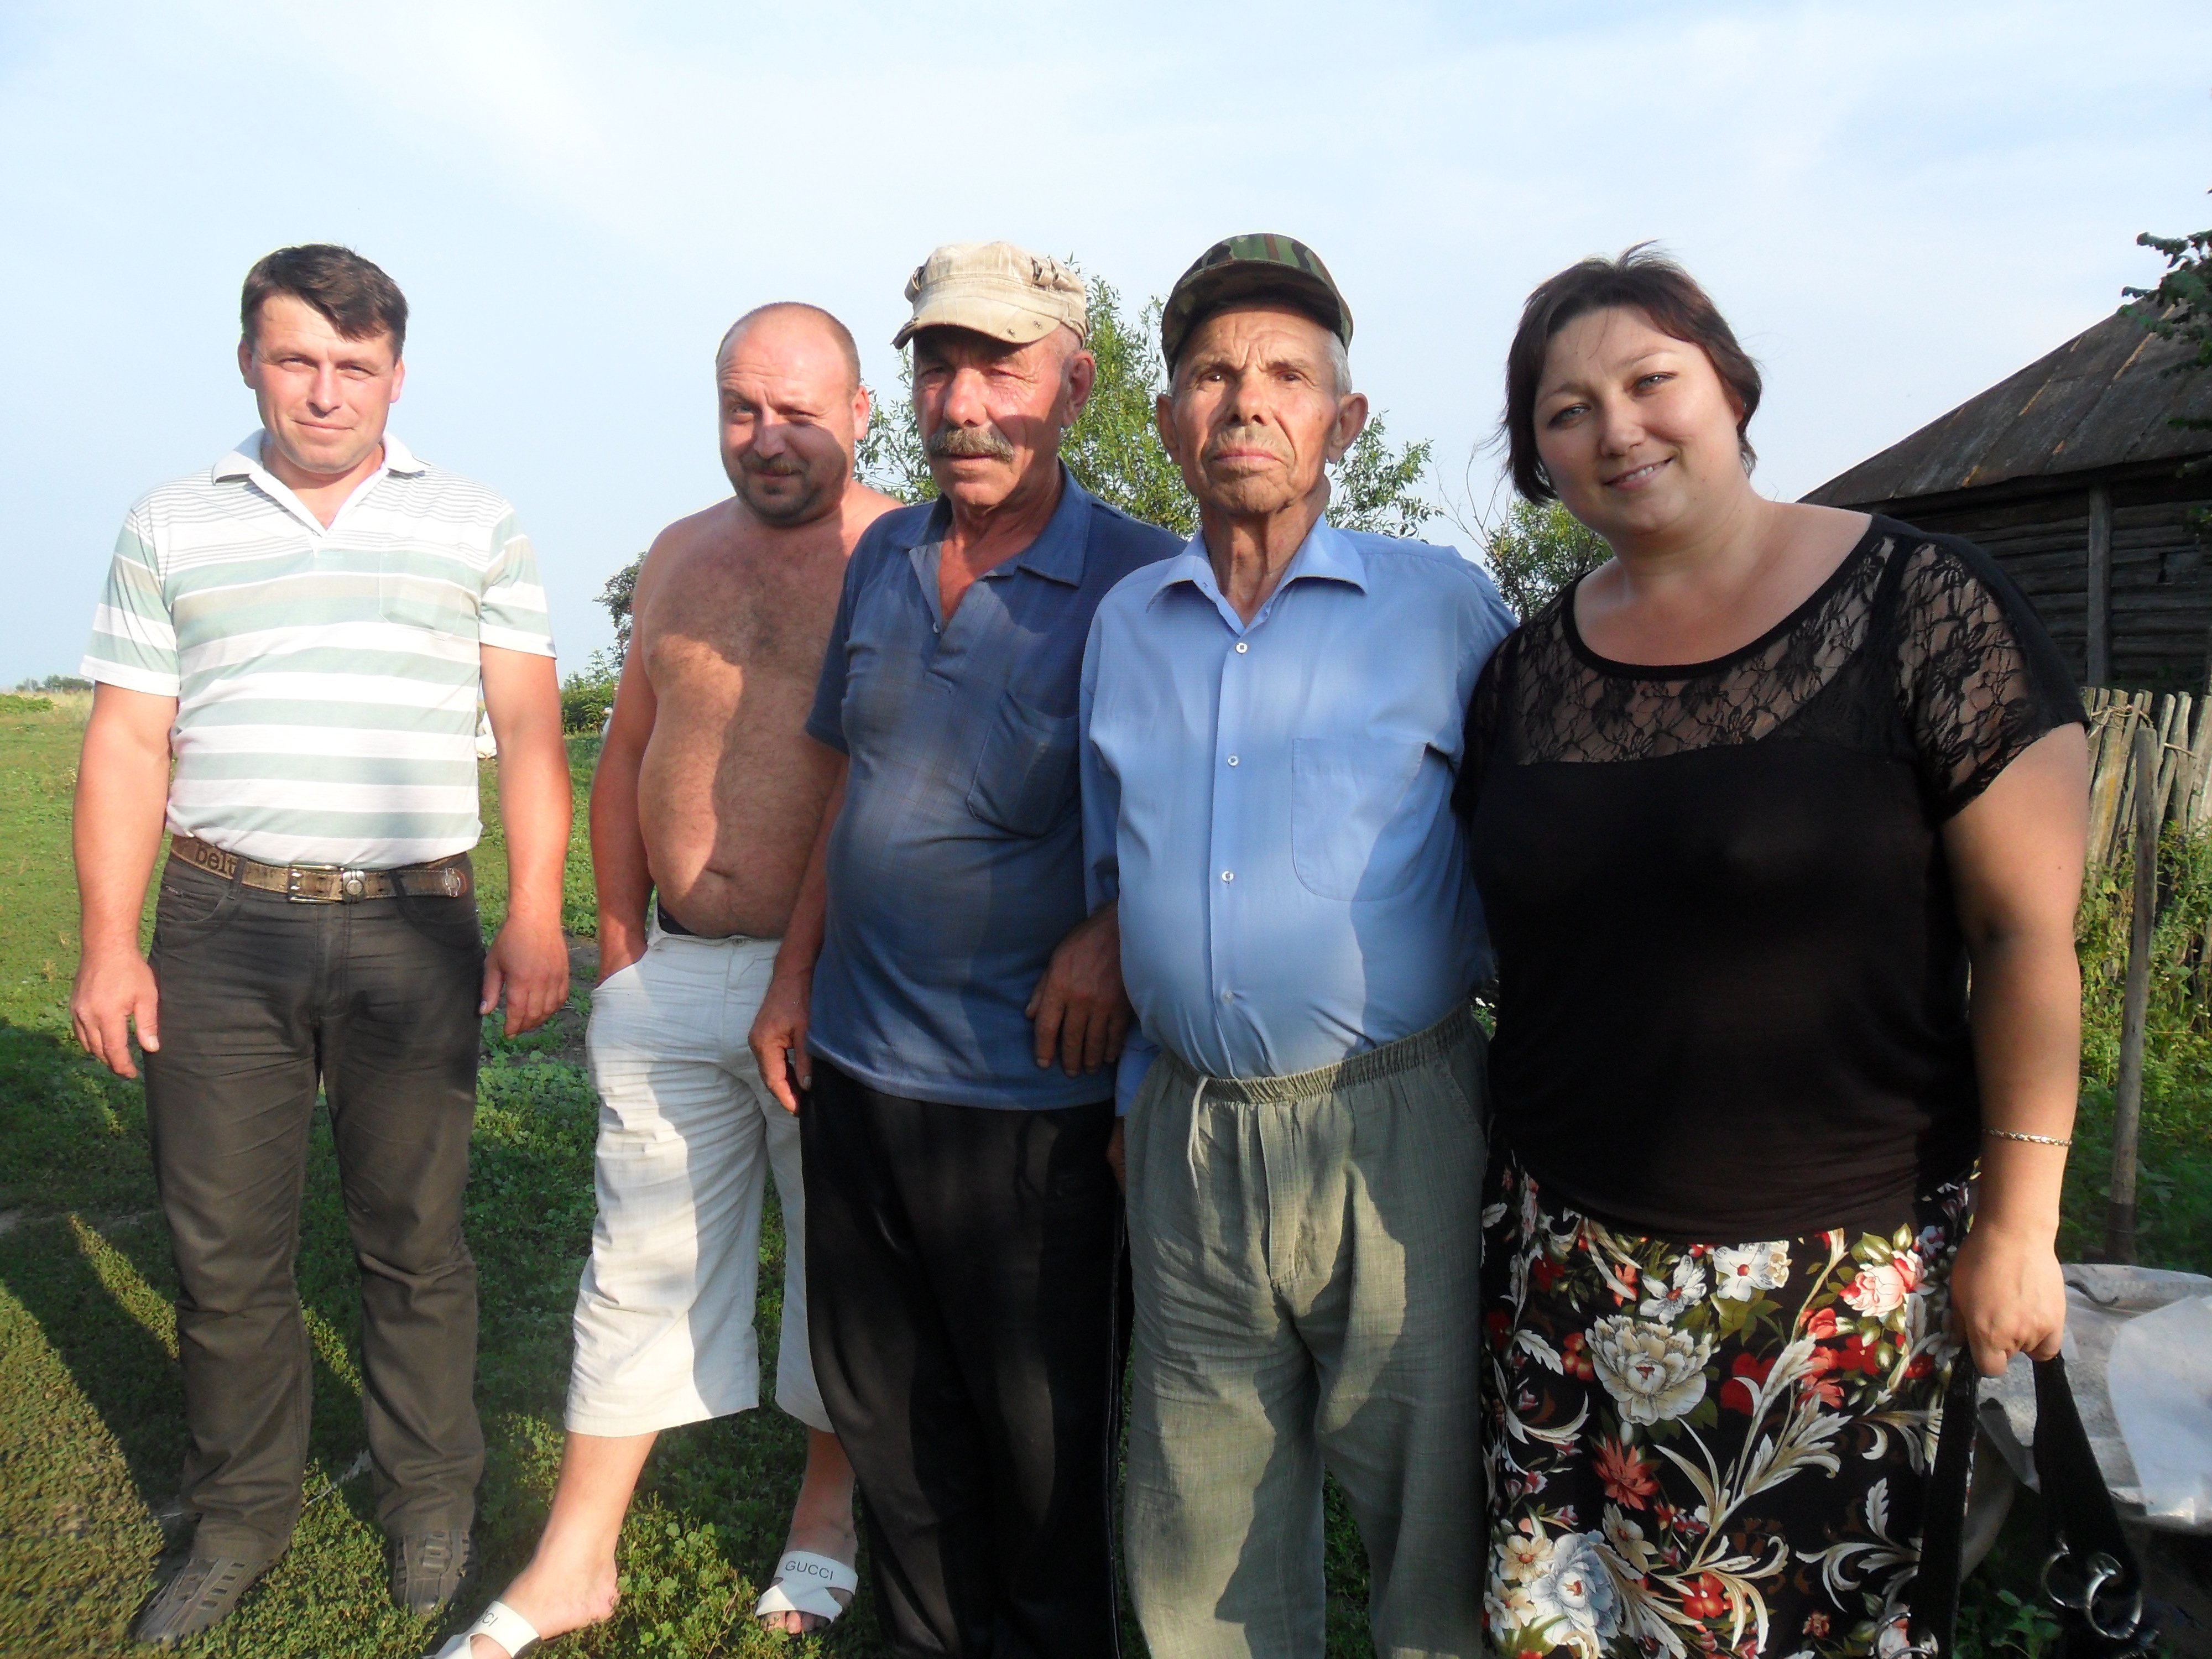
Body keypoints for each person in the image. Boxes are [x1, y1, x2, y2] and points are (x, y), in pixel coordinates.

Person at [1459, 247, 2086, 1658]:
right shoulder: (1521, 676)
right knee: (1570, 1626)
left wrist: (2019, 1226)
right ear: (1538, 459)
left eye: (1649, 381)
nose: (1616, 429)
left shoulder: (1921, 605)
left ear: (1729, 390)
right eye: (1566, 411)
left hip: (1830, 1287)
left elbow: (2021, 935)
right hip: (1561, 1268)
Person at [69, 243, 571, 1647]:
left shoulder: (476, 522)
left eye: (356, 365)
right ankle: (240, 1516)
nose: (325, 391)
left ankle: (431, 1498)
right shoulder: (171, 521)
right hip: (222, 924)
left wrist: (536, 912)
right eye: (297, 359)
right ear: (249, 360)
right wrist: (110, 943)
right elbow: (128, 743)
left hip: (414, 924)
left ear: (397, 375)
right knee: (222, 1248)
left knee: (414, 1238)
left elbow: (530, 733)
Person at [432, 305, 896, 1659]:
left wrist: (807, 967)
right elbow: (631, 744)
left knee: (840, 1260)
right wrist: (619, 943)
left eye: (799, 410)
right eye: (742, 408)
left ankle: (825, 1520)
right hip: (676, 970)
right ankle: (574, 1559)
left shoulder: (899, 557)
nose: (769, 436)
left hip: (837, 986)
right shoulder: (678, 553)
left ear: (859, 414)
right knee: (633, 1261)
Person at [1080, 233, 1515, 1659]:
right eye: (1211, 375)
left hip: (1398, 1122)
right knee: (1198, 1506)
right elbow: (1114, 865)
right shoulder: (1127, 627)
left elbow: (1524, 852)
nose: (1245, 401)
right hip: (1186, 1126)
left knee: (1430, 1503)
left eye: (1284, 373)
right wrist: (1135, 1092)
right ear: (1167, 422)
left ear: (1344, 418)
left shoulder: (1441, 608)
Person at [746, 241, 1181, 1659]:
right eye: (939, 368)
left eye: (1001, 368)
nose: (964, 404)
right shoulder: (883, 555)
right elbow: (849, 781)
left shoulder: (1143, 583)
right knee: (888, 1417)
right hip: (857, 1070)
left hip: (1029, 1101)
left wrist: (1113, 928)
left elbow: (1212, 802)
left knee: (1038, 1450)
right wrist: (794, 975)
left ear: (1077, 384)